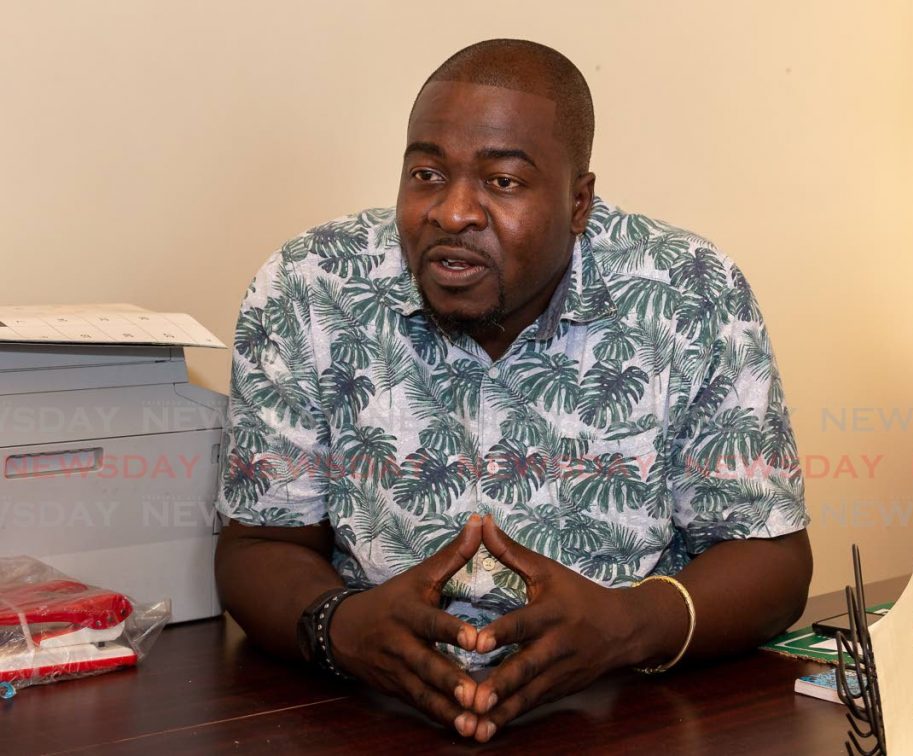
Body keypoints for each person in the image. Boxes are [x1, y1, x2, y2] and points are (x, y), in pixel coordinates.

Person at [215, 38, 812, 744]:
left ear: (579, 201)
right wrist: (340, 627)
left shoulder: (691, 293)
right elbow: (255, 546)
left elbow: (772, 559)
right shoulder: (307, 289)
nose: (452, 212)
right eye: (427, 173)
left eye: (502, 182)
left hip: (626, 712)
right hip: (372, 714)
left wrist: (630, 627)